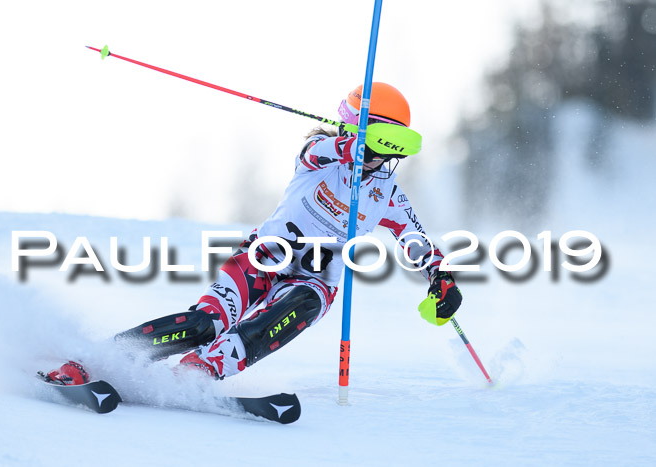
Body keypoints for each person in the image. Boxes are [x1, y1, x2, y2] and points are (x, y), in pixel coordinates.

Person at [43, 82, 463, 385]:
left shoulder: (385, 194)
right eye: (382, 142)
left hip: (315, 279)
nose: (383, 157)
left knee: (294, 308)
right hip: (262, 257)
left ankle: (200, 373)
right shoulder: (320, 155)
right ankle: (98, 361)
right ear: (356, 129)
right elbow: (322, 150)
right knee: (206, 323)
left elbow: (417, 243)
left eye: (395, 147)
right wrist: (352, 146)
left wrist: (440, 278)